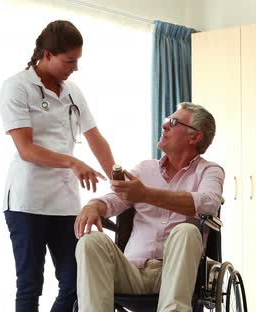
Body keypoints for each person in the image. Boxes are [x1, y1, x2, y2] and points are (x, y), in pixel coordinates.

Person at [0, 20, 115, 312]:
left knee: (76, 283)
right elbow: (25, 149)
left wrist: (118, 179)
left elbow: (95, 137)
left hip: (65, 203)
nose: (74, 68)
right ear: (47, 54)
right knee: (30, 285)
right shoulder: (17, 87)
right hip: (28, 200)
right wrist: (72, 161)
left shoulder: (73, 91)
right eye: (69, 61)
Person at [74, 102, 224, 312]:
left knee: (187, 230)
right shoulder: (145, 169)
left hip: (176, 274)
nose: (165, 126)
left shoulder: (210, 171)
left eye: (173, 122)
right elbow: (114, 199)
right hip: (131, 272)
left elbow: (209, 203)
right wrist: (93, 205)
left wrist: (145, 194)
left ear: (195, 137)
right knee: (91, 241)